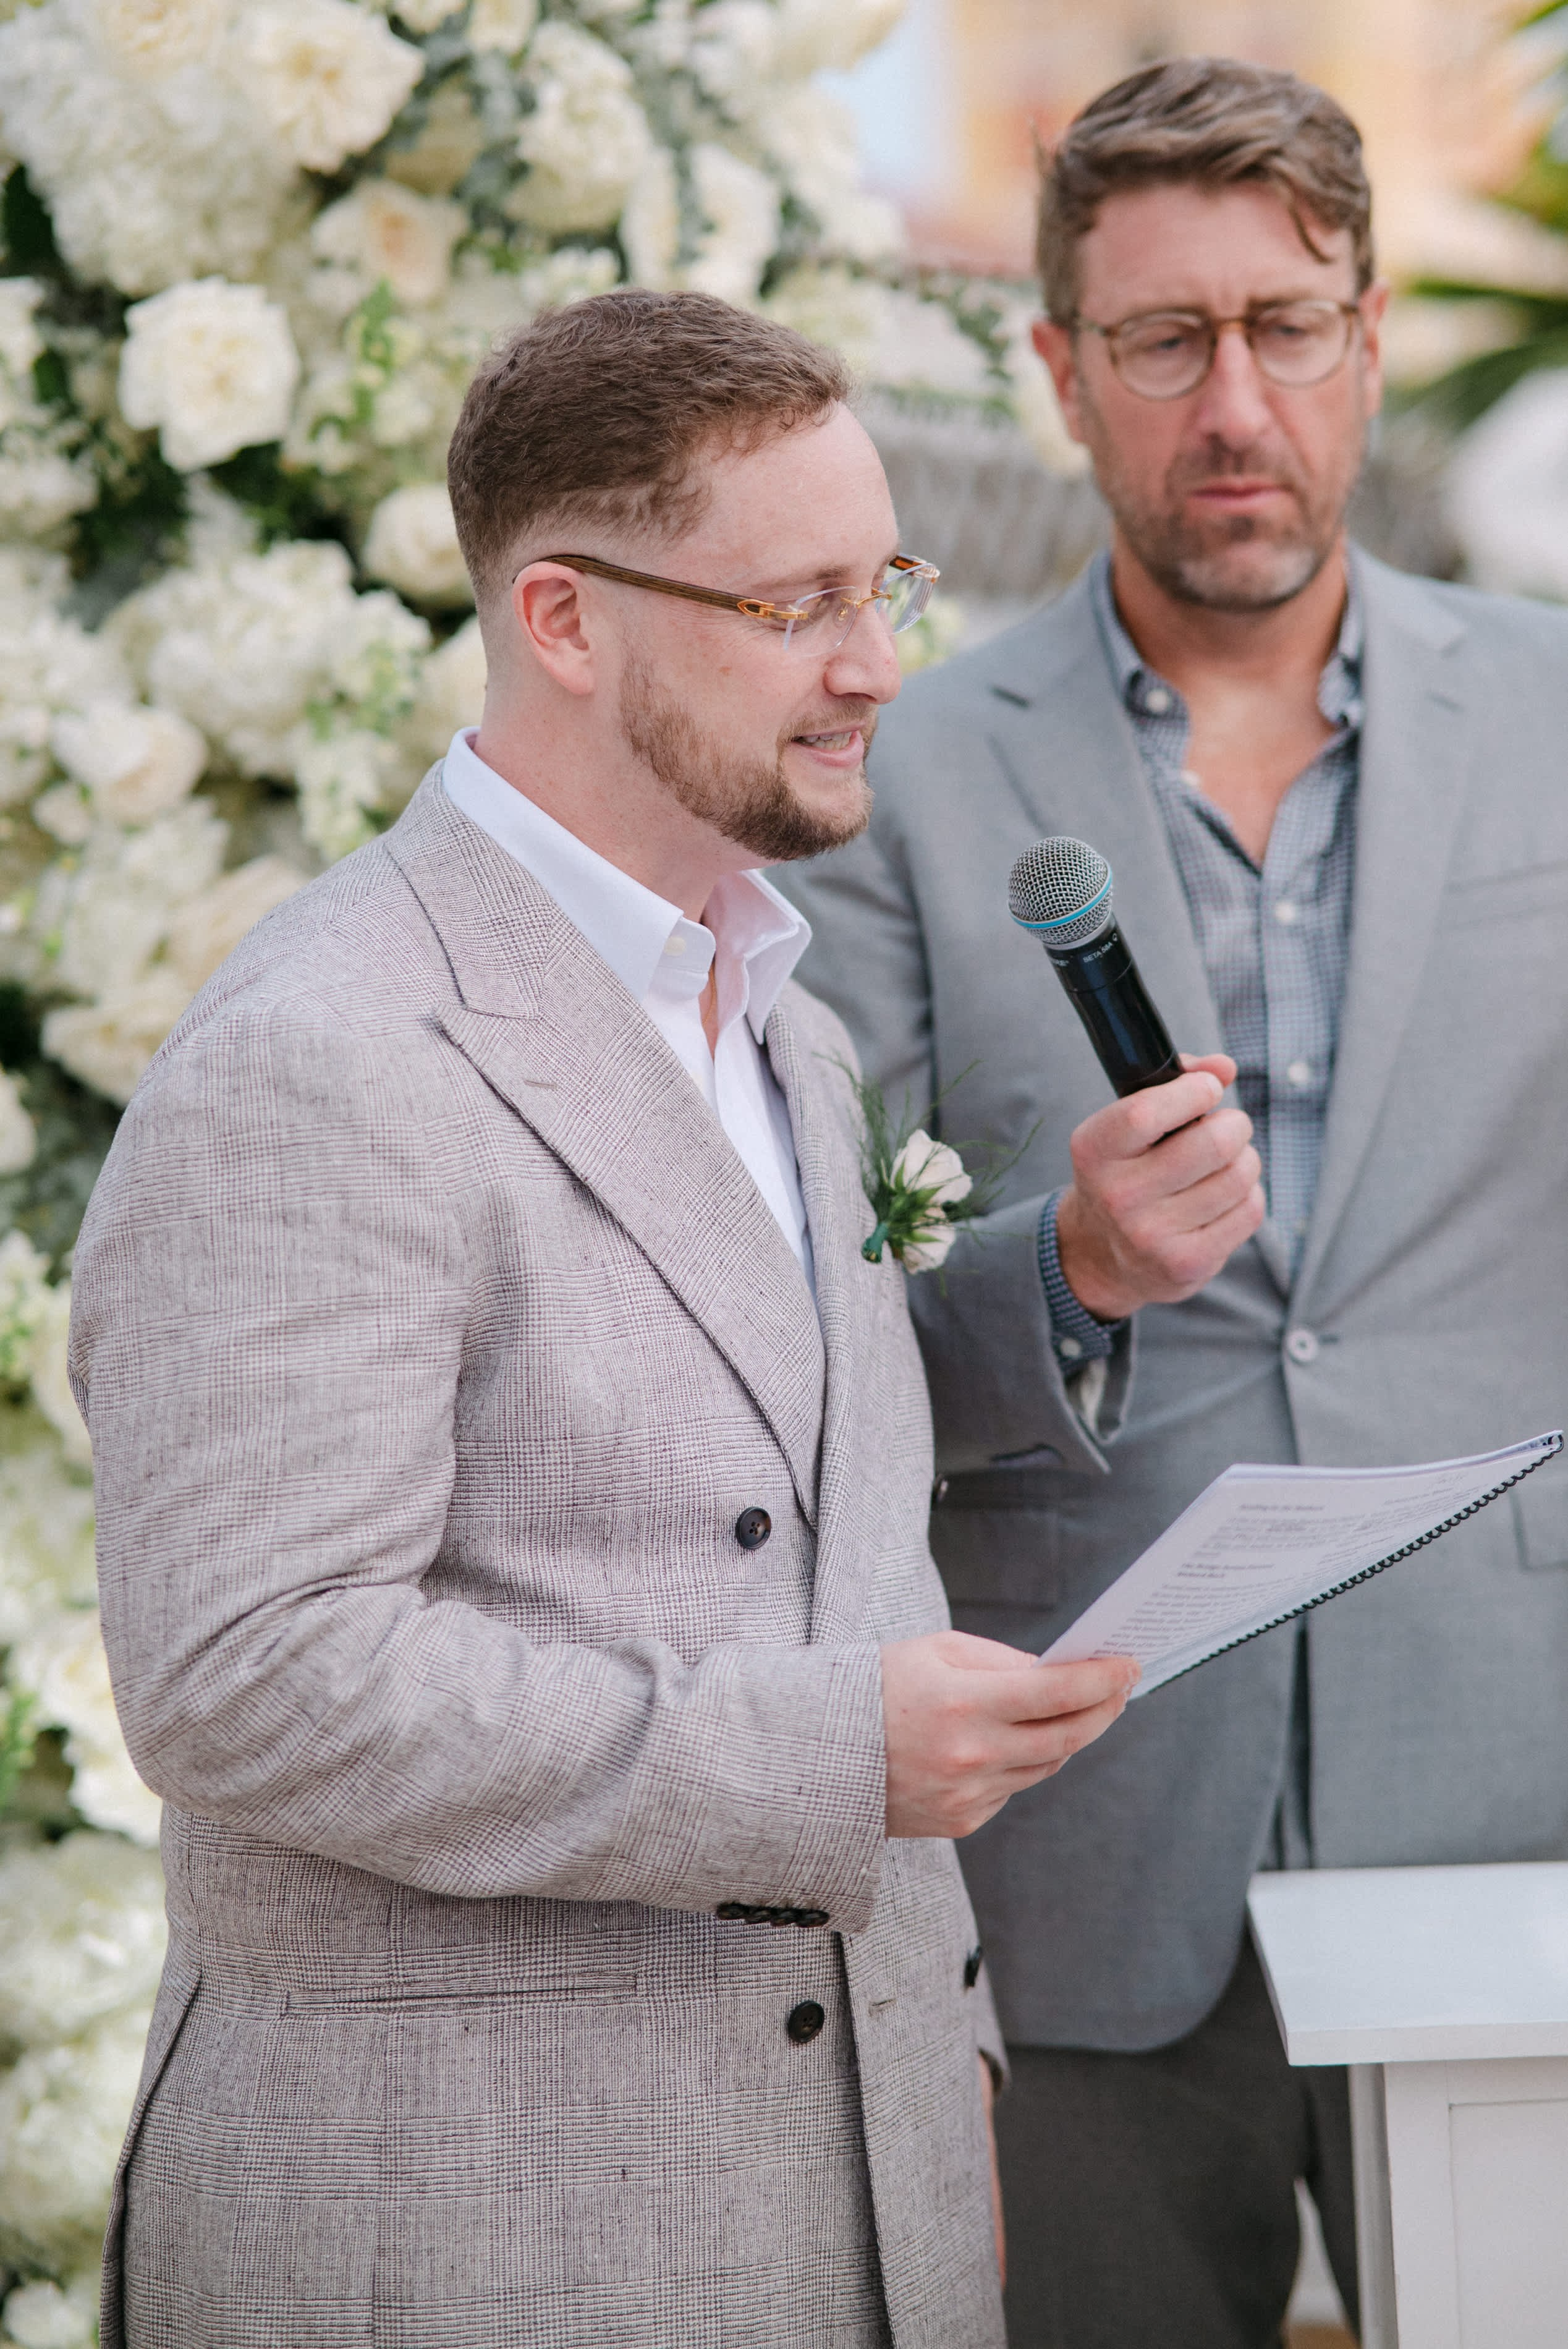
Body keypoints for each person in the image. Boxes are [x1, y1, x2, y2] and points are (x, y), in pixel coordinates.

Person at [71, 289, 1137, 2349]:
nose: (873, 668)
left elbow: (828, 1538)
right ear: (562, 618)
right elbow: (246, 1675)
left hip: (857, 2204)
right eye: (797, 603)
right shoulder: (323, 1053)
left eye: (883, 584)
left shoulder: (792, 1030)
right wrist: (829, 1752)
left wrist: (947, 2079)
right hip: (474, 2233)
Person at [784, 56, 1568, 2349]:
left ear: (1365, 334)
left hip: (1519, 1762)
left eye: (1284, 325)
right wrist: (1070, 1273)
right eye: (1159, 341)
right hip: (1090, 1804)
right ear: (1056, 371)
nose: (1234, 402)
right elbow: (806, 1314)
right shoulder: (893, 767)